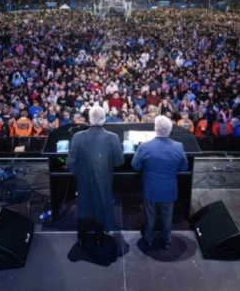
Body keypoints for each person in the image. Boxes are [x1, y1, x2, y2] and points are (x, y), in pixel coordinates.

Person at [66, 106, 125, 247]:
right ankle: (99, 237)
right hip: (104, 180)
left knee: (84, 206)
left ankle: (82, 237)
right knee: (101, 204)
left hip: (84, 180)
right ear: (104, 119)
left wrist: (81, 175)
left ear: (90, 120)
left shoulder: (77, 137)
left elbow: (70, 163)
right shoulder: (113, 138)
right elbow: (119, 161)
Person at [131, 115, 188, 249]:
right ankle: (167, 240)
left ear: (155, 129)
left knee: (150, 215)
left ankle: (149, 238)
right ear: (169, 130)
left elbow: (135, 166)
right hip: (169, 189)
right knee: (167, 216)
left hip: (150, 188)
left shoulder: (144, 146)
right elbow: (184, 167)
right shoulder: (178, 146)